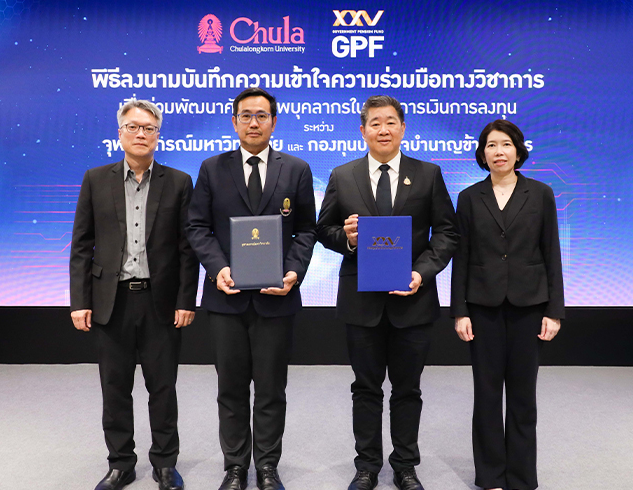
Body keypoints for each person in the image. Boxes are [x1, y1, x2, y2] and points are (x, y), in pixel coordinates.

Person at [316, 95, 458, 490]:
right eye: (375, 123)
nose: (383, 129)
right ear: (363, 131)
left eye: (391, 122)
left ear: (403, 128)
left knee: (408, 389)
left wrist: (421, 273)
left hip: (413, 300)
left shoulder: (428, 174)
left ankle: (405, 466)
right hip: (361, 303)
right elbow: (323, 229)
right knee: (365, 388)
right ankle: (366, 467)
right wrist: (346, 238)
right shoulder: (343, 175)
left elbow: (447, 232)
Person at [186, 87, 316, 490]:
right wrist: (219, 268)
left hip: (277, 299)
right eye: (246, 115)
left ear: (274, 122)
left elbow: (306, 230)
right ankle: (235, 467)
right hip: (226, 298)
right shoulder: (212, 168)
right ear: (234, 122)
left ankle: (268, 466)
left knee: (272, 389)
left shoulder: (296, 169)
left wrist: (293, 272)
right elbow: (197, 227)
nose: (253, 123)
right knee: (231, 388)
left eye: (261, 115)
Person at [69, 99, 199, 490]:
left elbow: (187, 249)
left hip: (160, 302)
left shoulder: (179, 182)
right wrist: (80, 301)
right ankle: (121, 463)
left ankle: (165, 463)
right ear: (120, 133)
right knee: (115, 387)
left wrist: (185, 300)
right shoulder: (96, 179)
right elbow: (82, 245)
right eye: (133, 127)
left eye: (149, 128)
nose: (141, 134)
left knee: (163, 387)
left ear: (158, 135)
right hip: (111, 301)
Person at [451, 119, 564, 490]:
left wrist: (554, 311)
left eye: (505, 144)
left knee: (522, 396)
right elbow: (462, 257)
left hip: (529, 306)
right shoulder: (469, 197)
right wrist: (459, 311)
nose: (498, 152)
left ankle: (521, 476)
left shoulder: (541, 193)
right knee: (486, 395)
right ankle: (490, 475)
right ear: (482, 154)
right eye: (491, 145)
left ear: (518, 151)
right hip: (482, 307)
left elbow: (551, 253)